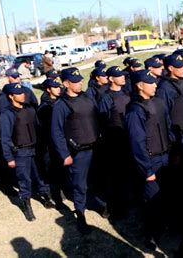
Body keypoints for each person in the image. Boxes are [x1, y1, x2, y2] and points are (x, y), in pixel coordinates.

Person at [125, 69, 172, 250]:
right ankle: (151, 234)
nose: (155, 85)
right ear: (139, 86)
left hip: (165, 156)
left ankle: (164, 226)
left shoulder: (158, 102)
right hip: (151, 161)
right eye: (150, 83)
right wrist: (147, 170)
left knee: (165, 195)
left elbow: (167, 127)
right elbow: (137, 143)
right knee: (151, 201)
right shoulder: (135, 110)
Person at [51, 67, 99, 234]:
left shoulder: (87, 98)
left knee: (95, 181)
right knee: (79, 186)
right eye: (75, 81)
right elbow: (56, 132)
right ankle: (81, 215)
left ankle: (99, 205)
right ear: (65, 83)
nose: (79, 83)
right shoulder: (61, 105)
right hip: (77, 153)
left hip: (94, 148)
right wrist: (65, 155)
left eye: (80, 80)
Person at [0, 83, 55, 221]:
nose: (23, 95)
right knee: (24, 180)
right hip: (20, 152)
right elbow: (5, 138)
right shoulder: (7, 114)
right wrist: (9, 157)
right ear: (11, 96)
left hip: (36, 148)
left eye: (23, 92)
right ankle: (27, 206)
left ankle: (46, 196)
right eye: (18, 93)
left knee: (41, 174)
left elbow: (39, 129)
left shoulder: (30, 109)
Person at [97, 66, 132, 217]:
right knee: (115, 176)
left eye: (123, 75)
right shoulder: (106, 97)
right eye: (119, 76)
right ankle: (113, 206)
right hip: (114, 142)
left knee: (127, 174)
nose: (123, 78)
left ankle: (127, 201)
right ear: (111, 79)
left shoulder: (126, 94)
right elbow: (103, 122)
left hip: (128, 138)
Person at [37, 78, 68, 211]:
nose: (59, 89)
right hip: (50, 145)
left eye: (59, 87)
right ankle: (57, 197)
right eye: (55, 87)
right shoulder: (45, 108)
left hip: (63, 142)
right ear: (48, 90)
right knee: (54, 172)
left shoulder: (62, 102)